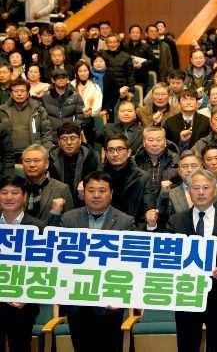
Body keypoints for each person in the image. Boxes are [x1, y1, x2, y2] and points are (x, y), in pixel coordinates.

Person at [57, 171, 135, 352]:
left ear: (111, 193)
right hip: (76, 300)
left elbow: (131, 263)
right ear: (83, 193)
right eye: (91, 190)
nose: (96, 195)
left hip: (110, 302)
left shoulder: (125, 221)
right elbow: (58, 258)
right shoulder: (69, 219)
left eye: (102, 190)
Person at [167, 169, 217, 352]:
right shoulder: (175, 221)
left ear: (215, 191)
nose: (200, 192)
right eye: (195, 188)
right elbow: (166, 256)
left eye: (205, 188)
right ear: (189, 191)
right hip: (186, 294)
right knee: (187, 346)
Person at [0, 175, 46, 352]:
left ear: (24, 196)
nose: (9, 197)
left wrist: (27, 296)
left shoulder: (38, 228)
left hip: (22, 306)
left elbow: (44, 268)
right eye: (4, 192)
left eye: (14, 192)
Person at [101, 134, 157, 226]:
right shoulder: (98, 178)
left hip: (132, 229)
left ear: (128, 152)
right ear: (106, 154)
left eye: (119, 149)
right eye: (110, 150)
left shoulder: (142, 178)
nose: (115, 154)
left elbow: (148, 213)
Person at [0, 79, 54, 160]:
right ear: (11, 93)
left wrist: (45, 154)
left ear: (28, 93)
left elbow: (46, 133)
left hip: (33, 155)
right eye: (16, 91)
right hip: (7, 155)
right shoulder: (2, 110)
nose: (19, 94)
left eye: (22, 91)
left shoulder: (38, 110)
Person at [21, 144, 74, 223]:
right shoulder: (16, 187)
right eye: (27, 161)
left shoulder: (61, 189)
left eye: (37, 160)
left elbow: (69, 222)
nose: (32, 165)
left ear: (47, 164)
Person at [42, 68, 85, 132]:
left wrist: (73, 130)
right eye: (58, 78)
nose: (61, 80)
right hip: (50, 134)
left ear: (67, 79)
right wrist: (46, 131)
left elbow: (80, 116)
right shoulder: (45, 96)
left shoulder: (76, 96)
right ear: (53, 80)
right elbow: (42, 117)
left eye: (63, 78)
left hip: (70, 133)